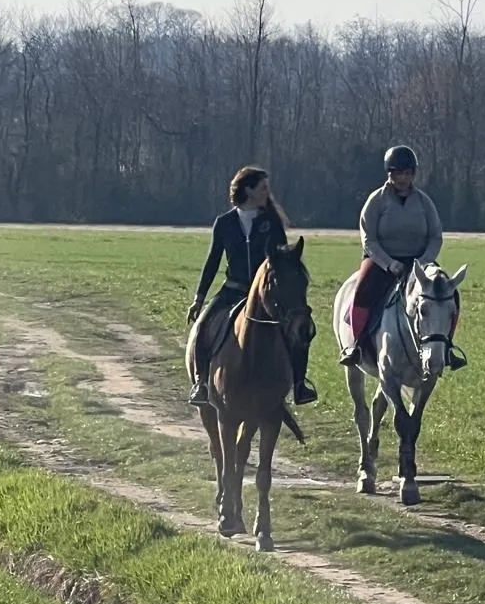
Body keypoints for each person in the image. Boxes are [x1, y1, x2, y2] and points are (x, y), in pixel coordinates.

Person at [186, 165, 318, 408]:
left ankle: (300, 385)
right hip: (233, 290)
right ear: (248, 190)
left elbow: (281, 259)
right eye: (263, 187)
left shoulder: (271, 222)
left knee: (299, 331)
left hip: (265, 294)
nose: (268, 192)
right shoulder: (224, 223)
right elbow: (213, 261)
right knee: (203, 326)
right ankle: (201, 383)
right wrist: (199, 298)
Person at [338, 144, 467, 369]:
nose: (403, 178)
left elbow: (435, 236)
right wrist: (389, 264)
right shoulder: (376, 201)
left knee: (450, 295)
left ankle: (447, 348)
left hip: (419, 262)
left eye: (407, 173)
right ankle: (357, 346)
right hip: (382, 261)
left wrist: (424, 261)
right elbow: (369, 239)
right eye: (398, 173)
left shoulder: (424, 202)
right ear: (390, 173)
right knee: (361, 292)